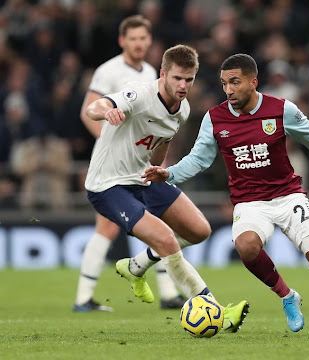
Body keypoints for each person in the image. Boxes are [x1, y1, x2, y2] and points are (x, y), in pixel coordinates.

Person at [141, 53, 309, 337]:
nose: (228, 90)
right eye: (224, 83)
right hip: (249, 201)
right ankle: (287, 296)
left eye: (235, 82)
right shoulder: (215, 118)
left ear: (253, 82)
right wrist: (170, 173)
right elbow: (199, 159)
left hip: (288, 195)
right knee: (246, 245)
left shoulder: (281, 109)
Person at [84, 44, 249, 332]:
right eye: (177, 78)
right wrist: (106, 113)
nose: (183, 85)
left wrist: (161, 170)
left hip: (144, 178)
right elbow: (94, 106)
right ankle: (218, 313)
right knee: (166, 240)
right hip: (109, 185)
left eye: (189, 79)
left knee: (199, 230)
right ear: (163, 74)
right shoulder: (139, 95)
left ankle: (136, 265)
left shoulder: (182, 110)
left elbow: (161, 142)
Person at [73, 15, 185, 312]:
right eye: (133, 38)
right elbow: (89, 111)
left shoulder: (152, 73)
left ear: (150, 42)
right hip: (112, 166)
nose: (138, 43)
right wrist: (109, 143)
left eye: (143, 38)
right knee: (109, 229)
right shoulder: (108, 71)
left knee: (156, 225)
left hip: (139, 165)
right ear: (122, 41)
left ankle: (168, 292)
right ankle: (83, 297)